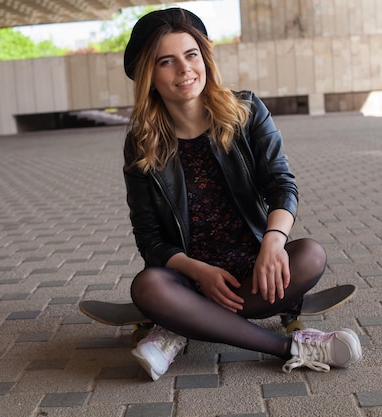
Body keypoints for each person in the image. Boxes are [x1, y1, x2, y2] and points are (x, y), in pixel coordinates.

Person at [121, 7, 362, 381]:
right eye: (165, 62)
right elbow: (149, 237)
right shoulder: (142, 142)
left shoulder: (246, 110)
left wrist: (273, 244)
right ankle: (292, 347)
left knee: (311, 255)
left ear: (204, 58)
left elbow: (282, 185)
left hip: (254, 273)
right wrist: (200, 272)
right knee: (149, 286)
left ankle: (179, 325)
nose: (184, 70)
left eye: (191, 55)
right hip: (189, 277)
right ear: (149, 76)